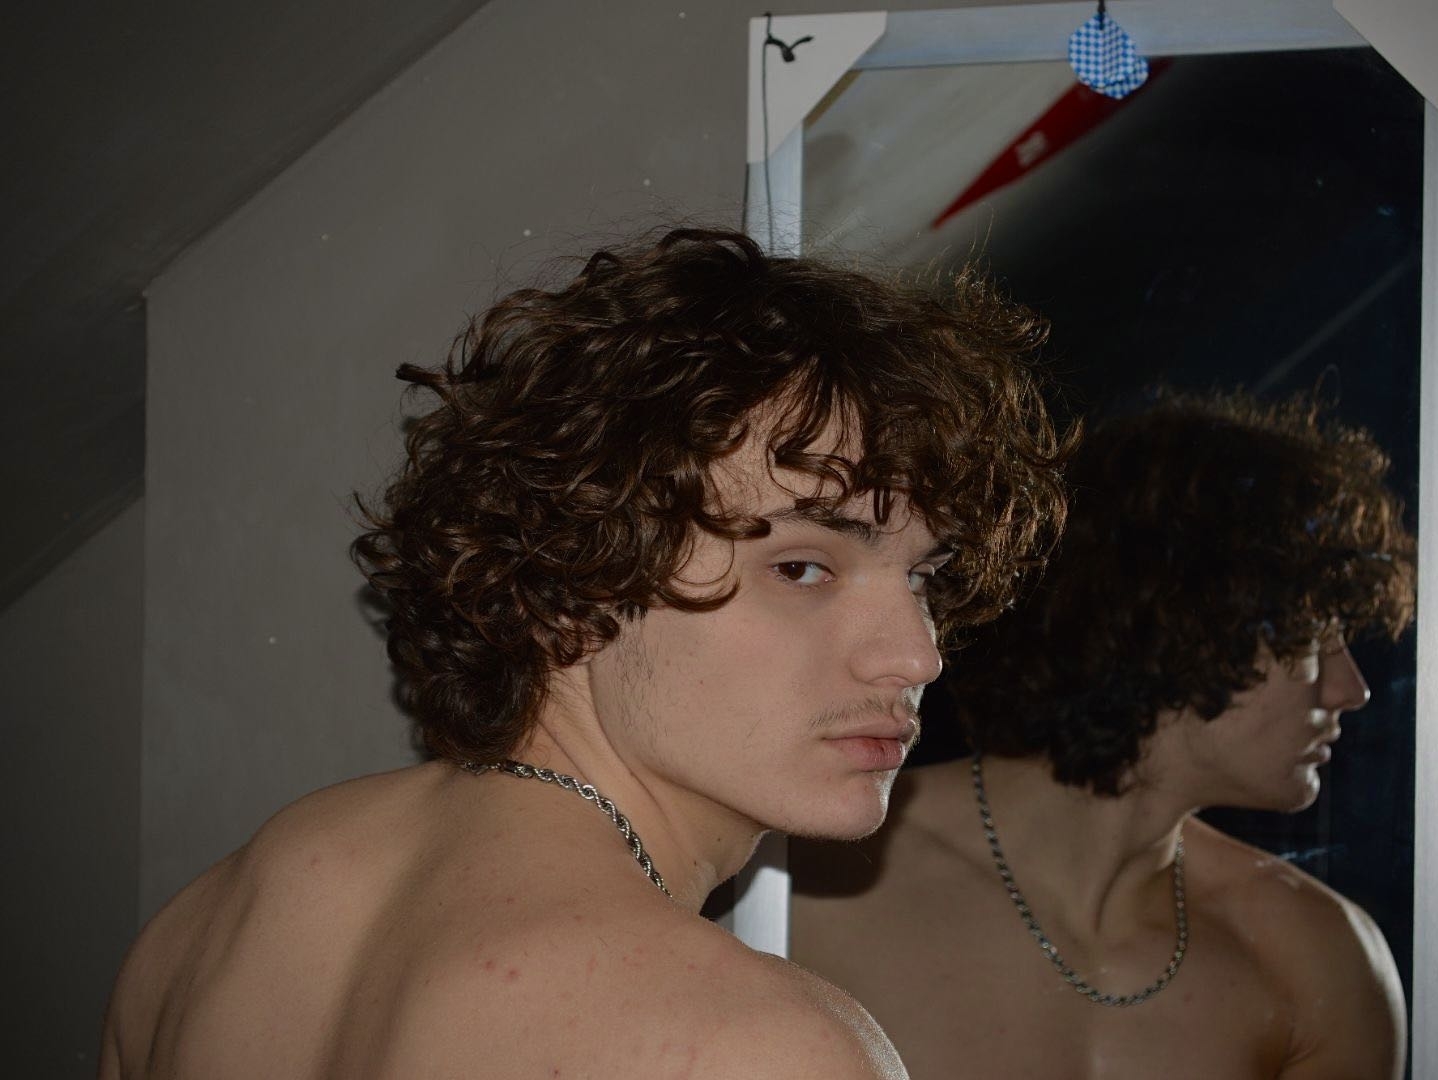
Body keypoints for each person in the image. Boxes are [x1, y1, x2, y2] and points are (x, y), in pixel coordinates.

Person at [100, 228, 1072, 1079]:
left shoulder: (202, 930)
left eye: (924, 577)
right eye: (802, 569)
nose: (915, 657)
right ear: (571, 576)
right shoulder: (759, 1051)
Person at [792, 391, 1417, 1079]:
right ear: (1179, 624)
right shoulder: (803, 890)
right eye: (1313, 638)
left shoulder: (1317, 959)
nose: (1351, 689)